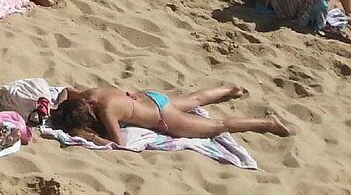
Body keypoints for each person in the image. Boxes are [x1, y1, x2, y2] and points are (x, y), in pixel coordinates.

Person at [48, 84, 290, 144]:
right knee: (194, 99)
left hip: (163, 117)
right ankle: (229, 89)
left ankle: (267, 123)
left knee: (218, 126)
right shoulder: (91, 95)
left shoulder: (105, 111)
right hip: (150, 97)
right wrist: (56, 107)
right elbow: (66, 91)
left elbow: (117, 142)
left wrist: (87, 135)